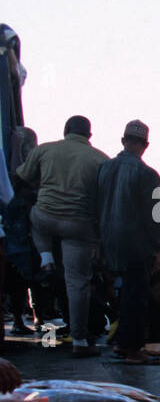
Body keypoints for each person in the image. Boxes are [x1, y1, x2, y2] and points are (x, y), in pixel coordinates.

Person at [14, 115, 109, 356]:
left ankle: (46, 260)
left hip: (46, 216)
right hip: (79, 225)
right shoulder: (100, 159)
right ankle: (79, 341)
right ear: (89, 135)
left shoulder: (45, 150)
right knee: (77, 282)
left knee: (36, 217)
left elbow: (21, 176)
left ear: (66, 130)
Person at [95, 120, 160, 365]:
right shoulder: (148, 174)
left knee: (122, 295)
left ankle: (120, 344)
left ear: (123, 140)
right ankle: (133, 349)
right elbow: (154, 216)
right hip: (137, 244)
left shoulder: (104, 168)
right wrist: (157, 249)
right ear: (145, 145)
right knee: (137, 296)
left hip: (108, 240)